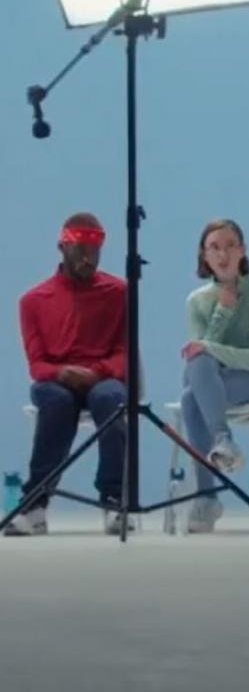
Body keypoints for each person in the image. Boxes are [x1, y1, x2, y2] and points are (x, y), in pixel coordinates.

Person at [6, 213, 128, 536]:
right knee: (57, 403)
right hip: (56, 381)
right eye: (80, 251)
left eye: (95, 250)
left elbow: (124, 352)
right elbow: (37, 365)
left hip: (101, 378)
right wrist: (62, 373)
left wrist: (97, 372)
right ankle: (35, 503)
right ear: (62, 248)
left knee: (113, 400)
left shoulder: (118, 292)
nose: (88, 258)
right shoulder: (32, 301)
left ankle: (114, 498)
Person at [180, 219, 249, 533]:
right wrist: (222, 313)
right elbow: (199, 357)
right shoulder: (197, 301)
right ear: (204, 255)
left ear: (242, 251)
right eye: (214, 247)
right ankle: (223, 442)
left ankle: (206, 495)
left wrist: (210, 347)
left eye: (230, 246)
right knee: (194, 381)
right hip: (214, 384)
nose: (223, 254)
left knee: (193, 389)